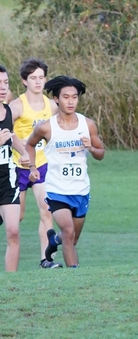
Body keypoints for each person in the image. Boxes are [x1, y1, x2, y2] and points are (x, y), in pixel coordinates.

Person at [25, 76, 105, 268]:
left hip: (80, 190)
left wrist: (91, 149)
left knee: (72, 238)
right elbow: (29, 144)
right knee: (68, 232)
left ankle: (54, 241)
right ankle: (74, 276)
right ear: (56, 99)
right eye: (66, 97)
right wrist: (33, 167)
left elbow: (101, 153)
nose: (71, 101)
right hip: (56, 190)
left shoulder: (88, 125)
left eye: (74, 97)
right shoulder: (46, 127)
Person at [8, 58, 58, 267]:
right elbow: (6, 132)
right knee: (16, 218)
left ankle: (46, 259)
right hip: (18, 166)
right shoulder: (17, 106)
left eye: (41, 78)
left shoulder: (52, 106)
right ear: (24, 81)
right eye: (33, 78)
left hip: (42, 164)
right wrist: (21, 148)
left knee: (46, 210)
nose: (38, 82)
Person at [0, 64, 32, 271]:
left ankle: (11, 284)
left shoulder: (8, 110)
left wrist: (25, 153)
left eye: (5, 83)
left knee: (13, 230)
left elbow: (11, 135)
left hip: (6, 178)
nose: (3, 87)